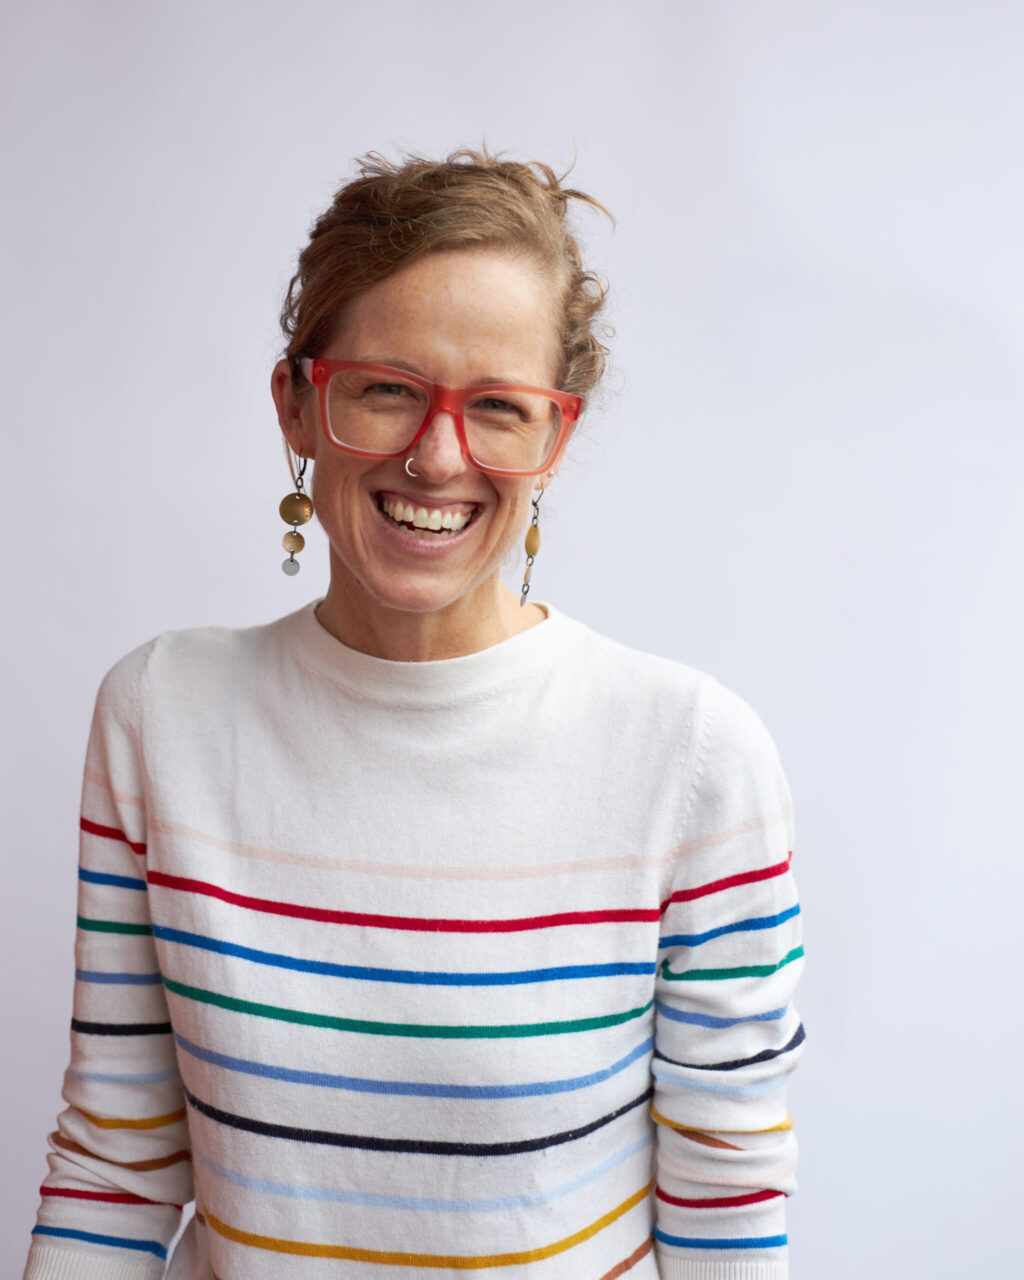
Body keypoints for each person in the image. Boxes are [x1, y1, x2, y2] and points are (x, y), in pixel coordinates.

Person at [22, 149, 807, 1280]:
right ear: (299, 401)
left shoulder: (691, 756)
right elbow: (118, 1160)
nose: (437, 455)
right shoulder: (159, 713)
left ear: (554, 438)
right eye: (387, 387)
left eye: (497, 406)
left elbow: (727, 1198)